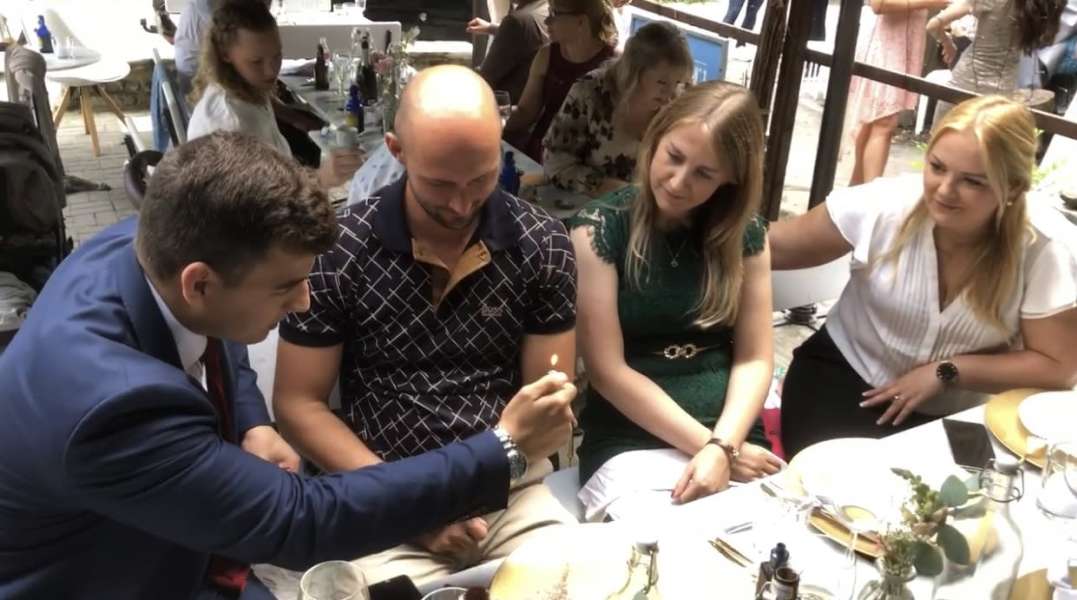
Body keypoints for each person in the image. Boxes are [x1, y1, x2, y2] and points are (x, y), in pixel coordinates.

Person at [0, 131, 577, 599]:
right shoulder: (110, 407)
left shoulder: (151, 244)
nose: (303, 302)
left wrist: (251, 420)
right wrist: (502, 447)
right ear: (199, 283)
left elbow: (219, 329)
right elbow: (301, 521)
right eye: (284, 287)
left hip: (182, 546)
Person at [273, 65, 579, 587]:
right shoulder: (339, 249)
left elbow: (544, 404)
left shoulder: (542, 243)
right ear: (396, 151)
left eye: (481, 179)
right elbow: (297, 405)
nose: (461, 204)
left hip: (509, 488)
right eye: (439, 184)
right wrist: (409, 506)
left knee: (572, 583)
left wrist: (510, 457)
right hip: (380, 484)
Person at [770, 96, 1077, 459]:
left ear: (1012, 188)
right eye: (937, 167)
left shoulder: (1042, 246)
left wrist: (948, 371)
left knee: (967, 494)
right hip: (842, 383)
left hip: (955, 416)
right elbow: (771, 245)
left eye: (972, 181)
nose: (944, 190)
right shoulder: (886, 204)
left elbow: (1057, 367)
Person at [567, 81, 783, 522]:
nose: (679, 181)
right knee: (657, 544)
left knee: (767, 538)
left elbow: (755, 358)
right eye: (674, 156)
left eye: (704, 173)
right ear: (657, 136)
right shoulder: (599, 229)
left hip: (733, 426)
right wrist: (714, 448)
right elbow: (607, 372)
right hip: (631, 431)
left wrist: (725, 444)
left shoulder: (747, 236)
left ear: (731, 178)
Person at [186, 0, 361, 188]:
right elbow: (259, 200)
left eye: (277, 56)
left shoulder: (248, 87)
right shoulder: (230, 121)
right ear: (225, 54)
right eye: (256, 61)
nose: (271, 71)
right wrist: (321, 178)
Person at [543, 21, 693, 198]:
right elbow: (556, 163)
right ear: (634, 72)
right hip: (585, 204)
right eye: (662, 82)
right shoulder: (591, 92)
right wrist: (615, 190)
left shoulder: (682, 99)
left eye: (678, 82)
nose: (671, 94)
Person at [847, 0, 949, 185]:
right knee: (883, 124)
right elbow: (879, 5)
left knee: (873, 123)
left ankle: (855, 188)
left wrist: (945, 38)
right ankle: (869, 193)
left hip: (903, 44)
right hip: (887, 45)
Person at [503, 0, 617, 162]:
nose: (547, 21)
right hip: (540, 153)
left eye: (554, 14)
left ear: (581, 21)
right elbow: (525, 112)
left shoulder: (614, 65)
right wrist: (493, 116)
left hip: (585, 161)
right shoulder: (547, 55)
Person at [927, 0, 1064, 100]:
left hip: (968, 79)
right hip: (1006, 86)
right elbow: (1047, 40)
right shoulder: (1043, 5)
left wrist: (948, 44)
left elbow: (933, 25)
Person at [467, 0, 550, 104]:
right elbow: (526, 33)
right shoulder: (546, 8)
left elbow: (484, 81)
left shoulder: (516, 21)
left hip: (505, 105)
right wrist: (492, 28)